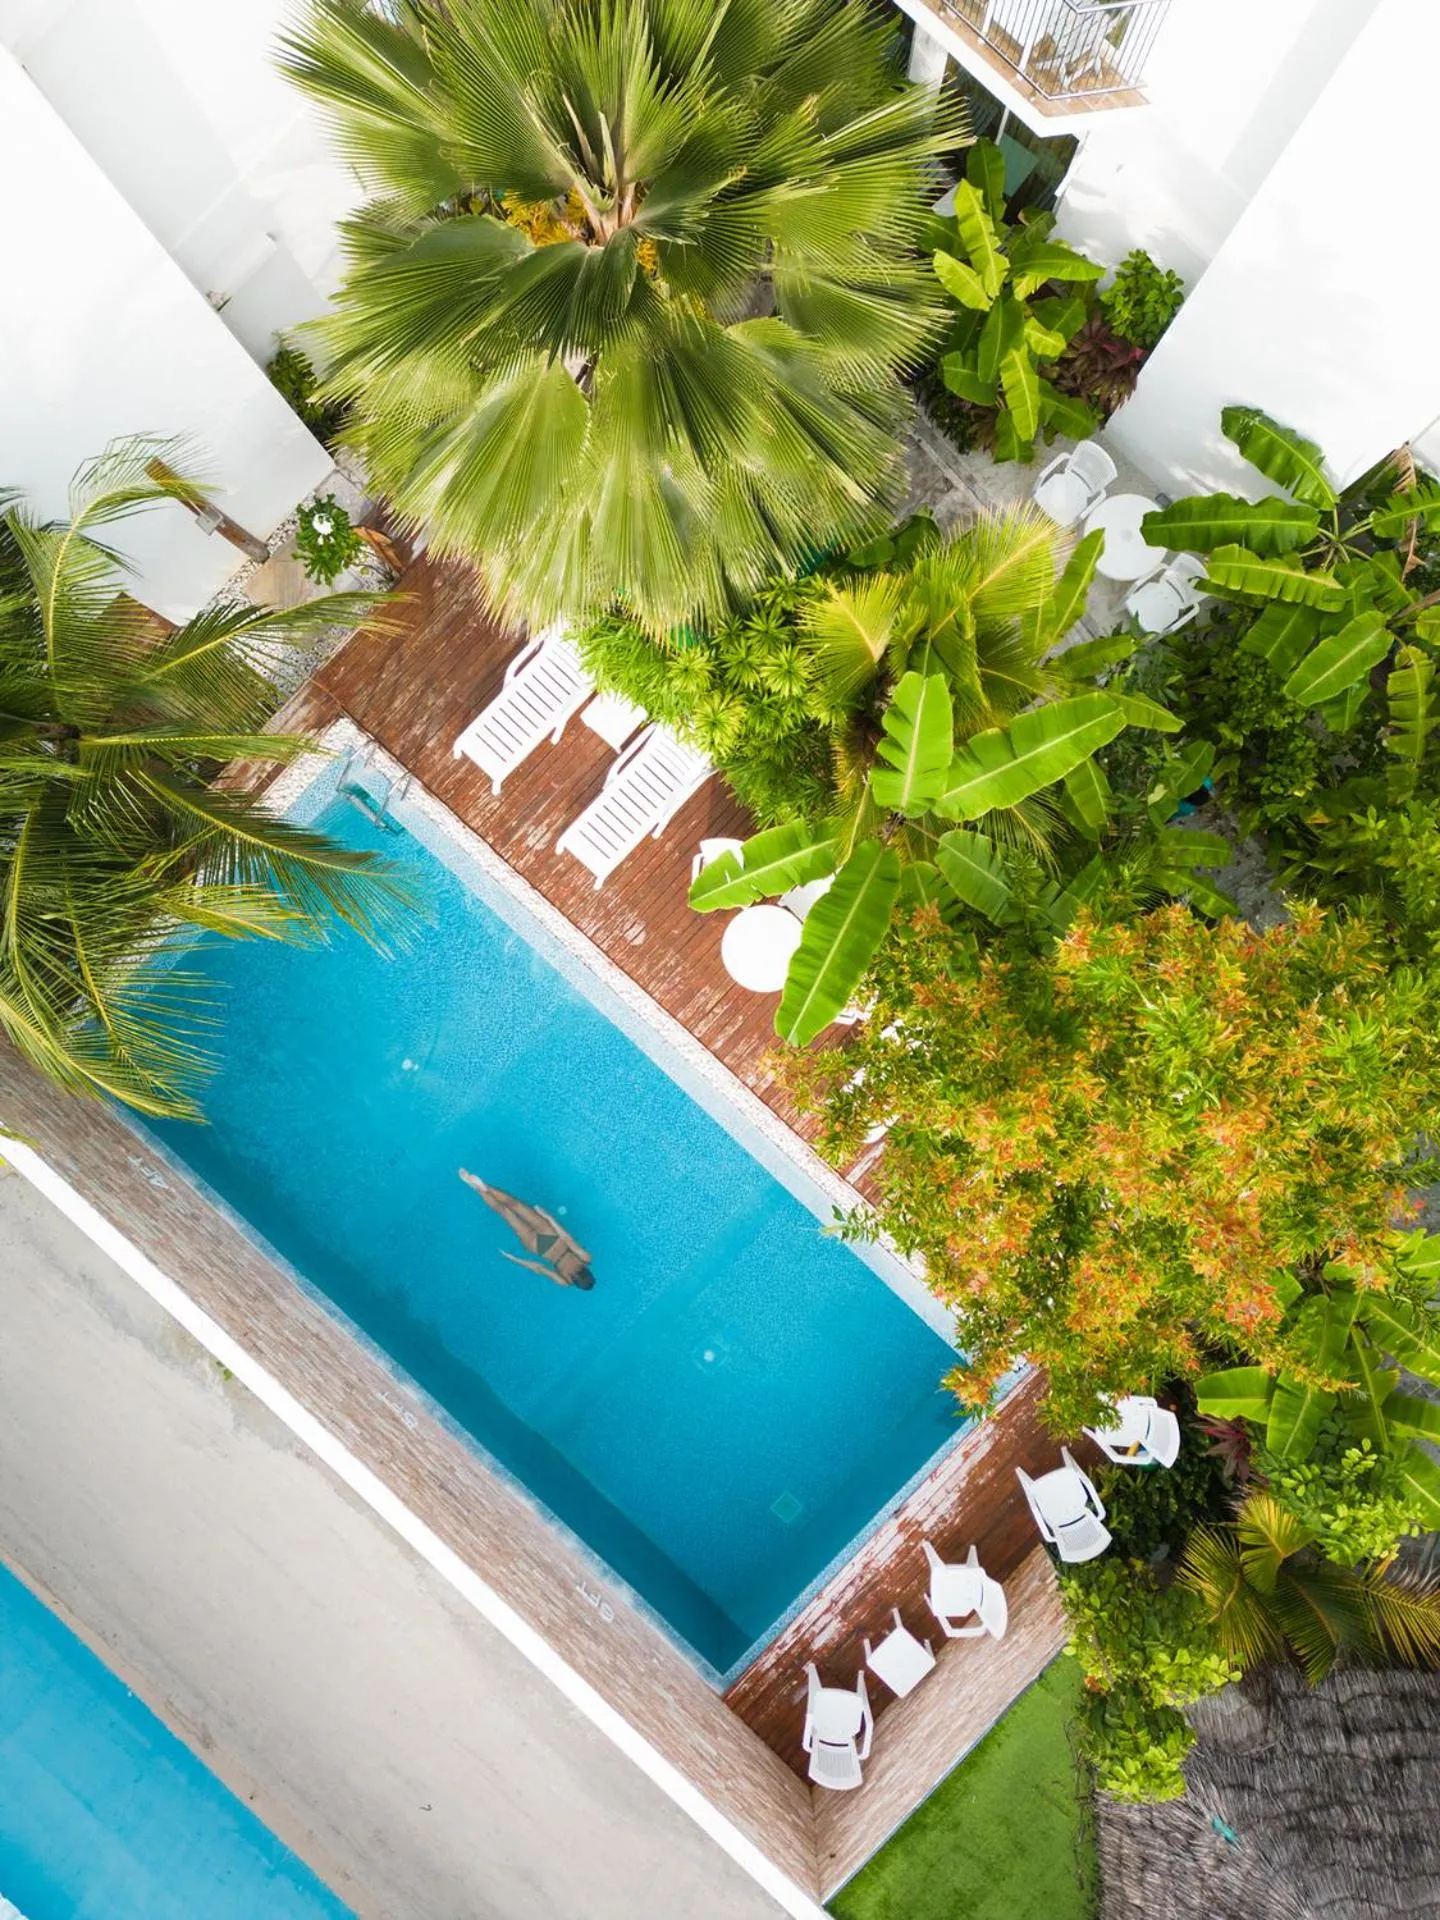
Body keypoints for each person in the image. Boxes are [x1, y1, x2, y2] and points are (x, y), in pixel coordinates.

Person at [458, 1169, 595, 1290]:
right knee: (505, 1212)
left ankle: (484, 1187)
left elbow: (567, 1238)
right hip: (539, 1248)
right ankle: (477, 1188)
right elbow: (539, 1268)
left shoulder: (585, 1259)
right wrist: (514, 1259)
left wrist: (549, 1218)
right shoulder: (567, 1281)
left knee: (514, 1204)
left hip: (551, 1236)